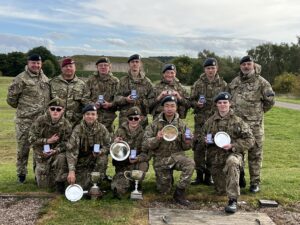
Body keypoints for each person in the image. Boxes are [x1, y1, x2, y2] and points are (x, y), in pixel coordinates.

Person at [198, 92, 254, 213]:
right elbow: (202, 137)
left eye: (225, 102)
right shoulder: (210, 122)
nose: (222, 105)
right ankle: (239, 176)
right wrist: (207, 141)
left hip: (233, 154)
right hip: (216, 159)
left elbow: (250, 140)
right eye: (220, 103)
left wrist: (233, 145)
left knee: (232, 162)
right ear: (216, 105)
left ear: (230, 104)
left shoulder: (238, 121)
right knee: (221, 191)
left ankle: (233, 200)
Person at [229, 56, 275, 193]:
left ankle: (255, 182)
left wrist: (257, 114)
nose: (246, 67)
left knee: (255, 154)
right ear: (240, 66)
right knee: (237, 152)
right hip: (237, 127)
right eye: (243, 64)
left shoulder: (262, 82)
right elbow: (229, 98)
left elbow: (270, 101)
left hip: (255, 127)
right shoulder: (235, 81)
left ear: (254, 66)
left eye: (249, 64)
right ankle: (240, 177)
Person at [143, 96, 194, 206]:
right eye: (167, 106)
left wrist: (187, 140)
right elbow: (145, 144)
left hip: (177, 157)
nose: (169, 108)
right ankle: (168, 180)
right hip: (161, 159)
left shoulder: (182, 125)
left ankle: (180, 192)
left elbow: (187, 147)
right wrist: (156, 139)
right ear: (162, 108)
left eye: (172, 106)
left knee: (190, 163)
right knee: (164, 190)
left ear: (176, 108)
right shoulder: (154, 124)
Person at [7, 54, 50, 183]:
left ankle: (38, 174)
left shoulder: (45, 78)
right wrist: (26, 110)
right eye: (33, 63)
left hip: (41, 121)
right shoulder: (20, 78)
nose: (36, 65)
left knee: (39, 148)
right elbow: (11, 100)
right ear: (28, 63)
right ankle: (21, 174)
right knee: (23, 149)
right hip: (25, 121)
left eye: (38, 63)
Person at [190, 58, 227, 185]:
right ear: (204, 69)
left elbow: (227, 102)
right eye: (208, 68)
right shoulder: (198, 84)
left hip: (216, 122)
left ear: (217, 68)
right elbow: (190, 101)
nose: (210, 70)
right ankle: (199, 175)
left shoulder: (223, 84)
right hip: (201, 121)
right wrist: (197, 104)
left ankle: (209, 176)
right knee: (199, 148)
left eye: (212, 68)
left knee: (213, 147)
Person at [28, 98, 72, 193]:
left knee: (61, 157)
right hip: (41, 155)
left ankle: (59, 181)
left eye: (58, 109)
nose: (55, 111)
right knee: (43, 186)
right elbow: (31, 138)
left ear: (63, 110)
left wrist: (56, 150)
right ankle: (42, 173)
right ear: (49, 109)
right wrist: (47, 140)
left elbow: (67, 142)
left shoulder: (66, 124)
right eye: (53, 109)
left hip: (55, 154)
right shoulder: (40, 121)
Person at [66, 104, 111, 190]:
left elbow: (108, 146)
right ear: (83, 116)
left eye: (93, 114)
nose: (90, 116)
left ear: (97, 116)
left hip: (96, 160)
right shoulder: (77, 130)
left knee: (103, 158)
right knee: (79, 184)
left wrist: (101, 151)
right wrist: (71, 171)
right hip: (81, 161)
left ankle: (98, 182)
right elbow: (72, 151)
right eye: (88, 114)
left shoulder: (102, 129)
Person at [111, 106, 149, 199]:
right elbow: (112, 149)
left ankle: (137, 183)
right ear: (127, 119)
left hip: (136, 163)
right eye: (131, 118)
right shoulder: (120, 131)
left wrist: (138, 158)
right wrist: (114, 142)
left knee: (143, 164)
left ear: (140, 119)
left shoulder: (144, 133)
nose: (133, 120)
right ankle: (128, 182)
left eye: (136, 118)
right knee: (117, 189)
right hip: (122, 165)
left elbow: (147, 154)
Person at [115, 54, 153, 128]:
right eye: (132, 62)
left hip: (141, 118)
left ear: (140, 64)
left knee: (141, 138)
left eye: (137, 62)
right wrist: (125, 99)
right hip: (125, 118)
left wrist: (143, 104)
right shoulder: (123, 81)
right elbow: (116, 98)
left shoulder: (147, 82)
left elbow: (152, 100)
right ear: (129, 64)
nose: (135, 64)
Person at [50, 58, 90, 127]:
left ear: (75, 68)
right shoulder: (52, 82)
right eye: (66, 66)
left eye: (71, 66)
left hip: (75, 123)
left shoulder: (82, 84)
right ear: (62, 69)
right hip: (56, 122)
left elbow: (86, 103)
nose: (68, 68)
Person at [86, 57, 119, 133]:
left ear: (109, 67)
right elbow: (84, 98)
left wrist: (110, 104)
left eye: (105, 65)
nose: (103, 67)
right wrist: (93, 105)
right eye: (100, 65)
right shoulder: (91, 80)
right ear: (97, 67)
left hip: (108, 119)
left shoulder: (115, 81)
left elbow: (118, 99)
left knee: (107, 141)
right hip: (92, 117)